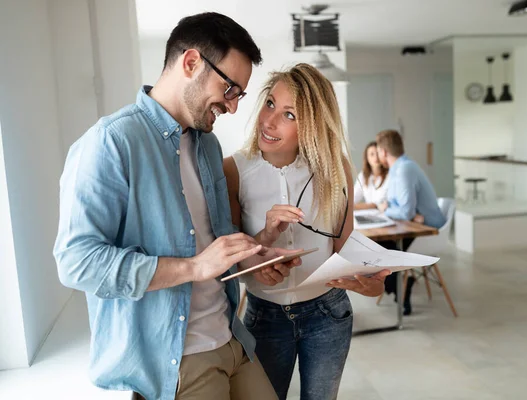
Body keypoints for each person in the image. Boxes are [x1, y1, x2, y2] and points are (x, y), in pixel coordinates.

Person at [53, 13, 298, 400]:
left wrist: (254, 255)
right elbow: (76, 262)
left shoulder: (207, 145)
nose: (233, 107)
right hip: (178, 358)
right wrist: (193, 268)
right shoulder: (110, 143)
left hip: (232, 339)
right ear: (191, 63)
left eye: (239, 95)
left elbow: (211, 243)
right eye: (230, 88)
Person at [223, 64, 391, 400]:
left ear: (312, 125)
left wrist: (372, 283)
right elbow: (230, 263)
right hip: (264, 316)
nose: (269, 121)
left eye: (289, 114)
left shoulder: (336, 168)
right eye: (270, 103)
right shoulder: (233, 170)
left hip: (328, 313)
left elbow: (346, 251)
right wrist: (264, 241)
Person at [376, 129, 445, 314]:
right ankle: (401, 287)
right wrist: (398, 210)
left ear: (383, 152)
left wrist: (388, 210)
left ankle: (400, 288)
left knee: (382, 248)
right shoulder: (398, 168)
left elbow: (404, 212)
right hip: (413, 225)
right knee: (378, 247)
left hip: (427, 231)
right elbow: (397, 205)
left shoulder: (405, 169)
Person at [354, 141, 389, 210]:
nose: (376, 157)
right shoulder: (363, 176)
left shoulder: (389, 175)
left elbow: (378, 204)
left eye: (378, 153)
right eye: (372, 154)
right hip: (369, 215)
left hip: (385, 215)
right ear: (367, 158)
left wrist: (355, 207)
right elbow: (353, 198)